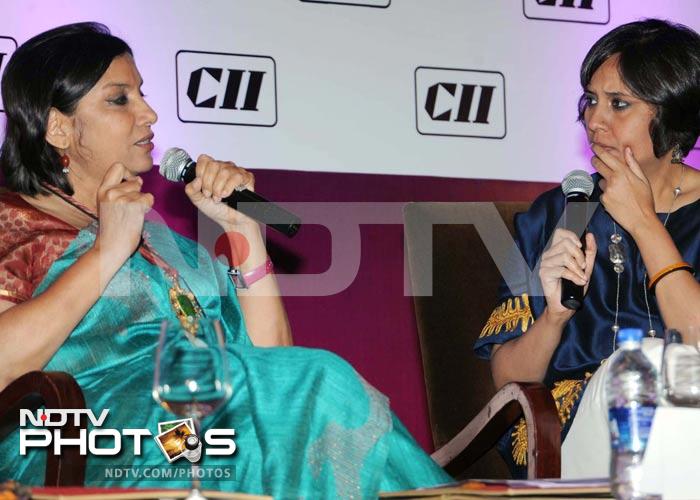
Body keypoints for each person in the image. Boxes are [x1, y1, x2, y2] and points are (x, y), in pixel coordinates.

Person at [0, 23, 452, 496]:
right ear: (58, 128)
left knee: (302, 415)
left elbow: (274, 360)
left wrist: (243, 230)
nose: (149, 113)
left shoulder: (165, 244)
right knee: (307, 393)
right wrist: (106, 251)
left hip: (200, 435)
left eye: (142, 95)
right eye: (120, 99)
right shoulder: (15, 221)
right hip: (92, 447)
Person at [474, 18, 700, 478]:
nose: (595, 120)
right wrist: (554, 316)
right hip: (568, 434)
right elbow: (506, 381)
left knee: (668, 371)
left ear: (674, 116)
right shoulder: (559, 212)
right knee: (648, 369)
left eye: (619, 104)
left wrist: (643, 223)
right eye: (591, 100)